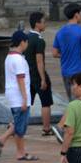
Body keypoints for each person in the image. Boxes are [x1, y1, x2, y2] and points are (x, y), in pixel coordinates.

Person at [0, 33, 36, 162]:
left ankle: (1, 140)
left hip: (13, 95)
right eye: (26, 42)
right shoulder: (18, 59)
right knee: (20, 127)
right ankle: (20, 153)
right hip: (19, 96)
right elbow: (20, 79)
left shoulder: (10, 57)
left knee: (18, 122)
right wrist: (24, 99)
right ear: (22, 42)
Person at [23, 12, 60, 141]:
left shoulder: (27, 38)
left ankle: (14, 124)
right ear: (37, 24)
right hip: (38, 76)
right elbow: (40, 61)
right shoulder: (39, 40)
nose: (45, 24)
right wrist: (43, 78)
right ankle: (46, 128)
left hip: (28, 75)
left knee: (26, 103)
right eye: (43, 22)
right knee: (46, 103)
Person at [51, 3, 81, 100]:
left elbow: (55, 53)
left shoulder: (60, 32)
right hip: (79, 73)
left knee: (71, 101)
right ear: (76, 15)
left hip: (65, 72)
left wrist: (66, 54)